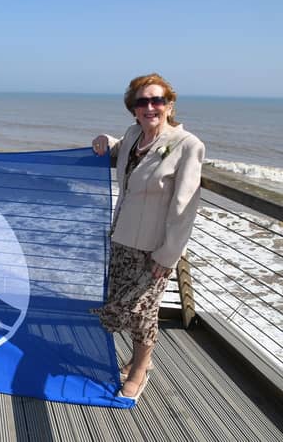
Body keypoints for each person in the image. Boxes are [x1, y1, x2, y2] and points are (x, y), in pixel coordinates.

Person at [91, 73, 204, 401]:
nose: (150, 107)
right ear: (133, 109)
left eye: (157, 100)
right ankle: (141, 359)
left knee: (142, 312)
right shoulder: (132, 135)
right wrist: (104, 140)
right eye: (142, 102)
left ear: (170, 104)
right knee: (124, 309)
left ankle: (140, 369)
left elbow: (185, 208)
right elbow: (120, 152)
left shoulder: (188, 146)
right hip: (122, 239)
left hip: (155, 250)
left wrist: (167, 256)